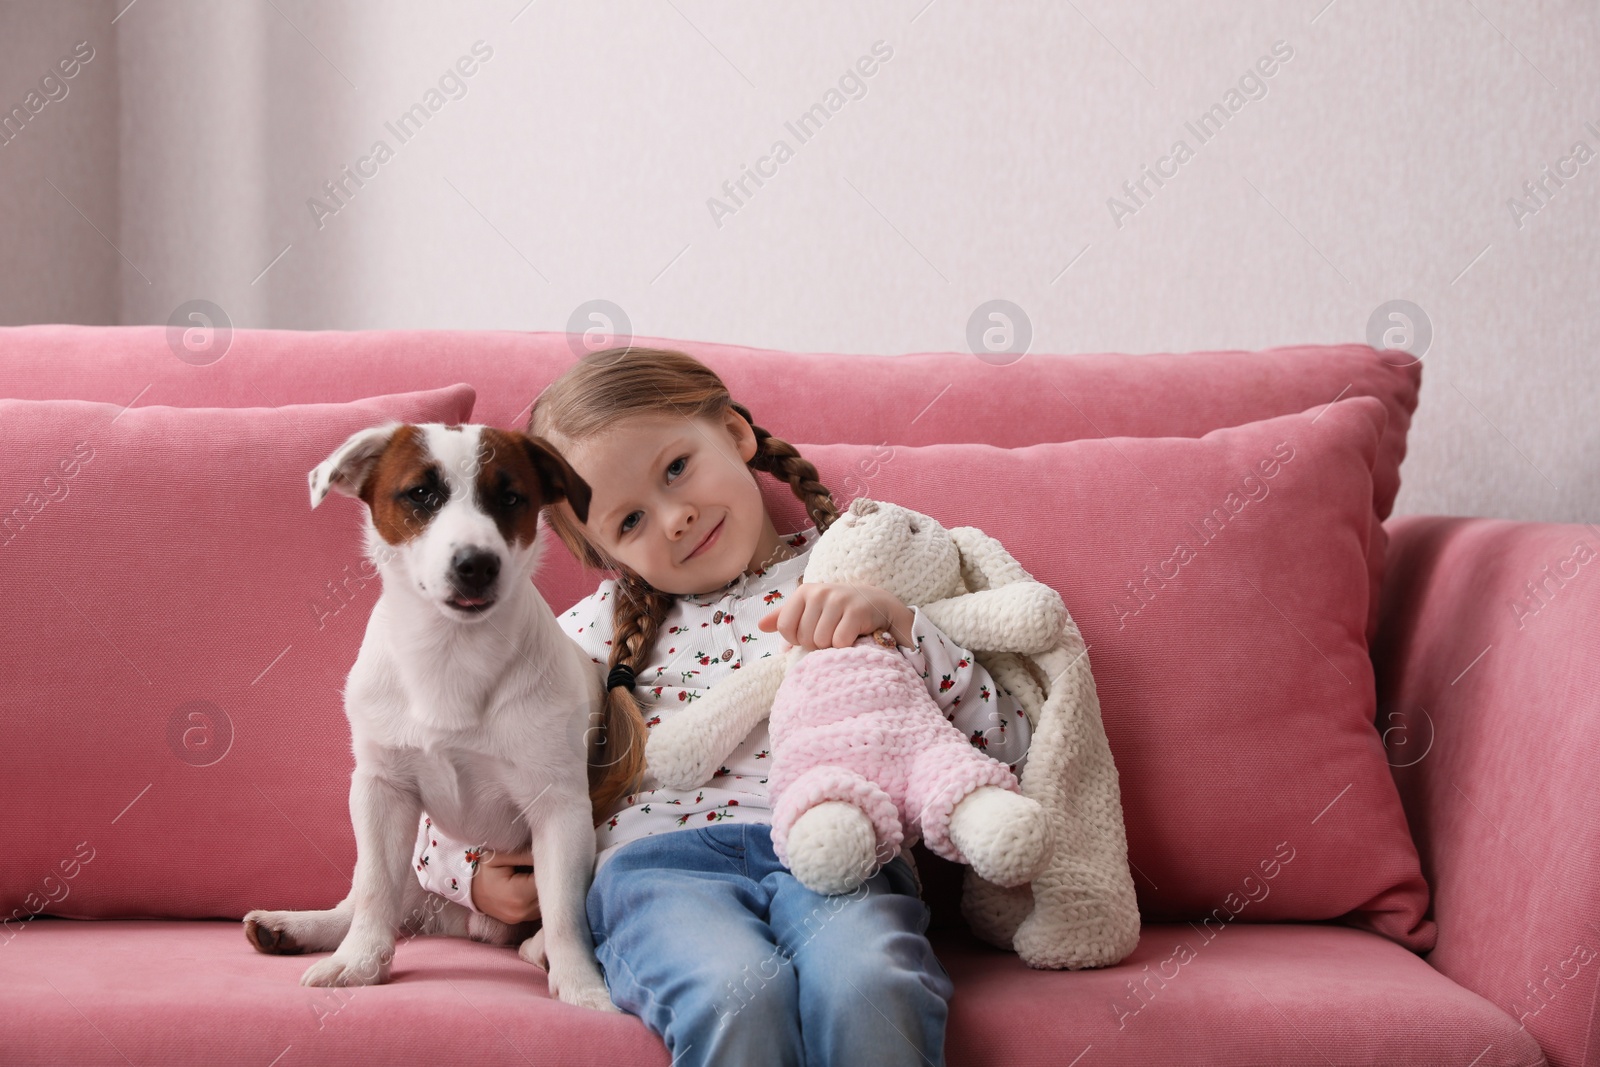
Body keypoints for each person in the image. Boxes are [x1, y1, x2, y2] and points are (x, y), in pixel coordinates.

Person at [412, 346, 1032, 1066]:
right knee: (735, 993)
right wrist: (472, 878)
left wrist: (906, 626)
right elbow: (455, 775)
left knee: (870, 981)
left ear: (736, 434)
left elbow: (1008, 751)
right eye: (630, 521)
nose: (673, 519)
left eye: (676, 468)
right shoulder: (588, 632)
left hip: (838, 849)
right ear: (610, 556)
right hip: (655, 868)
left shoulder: (862, 567)